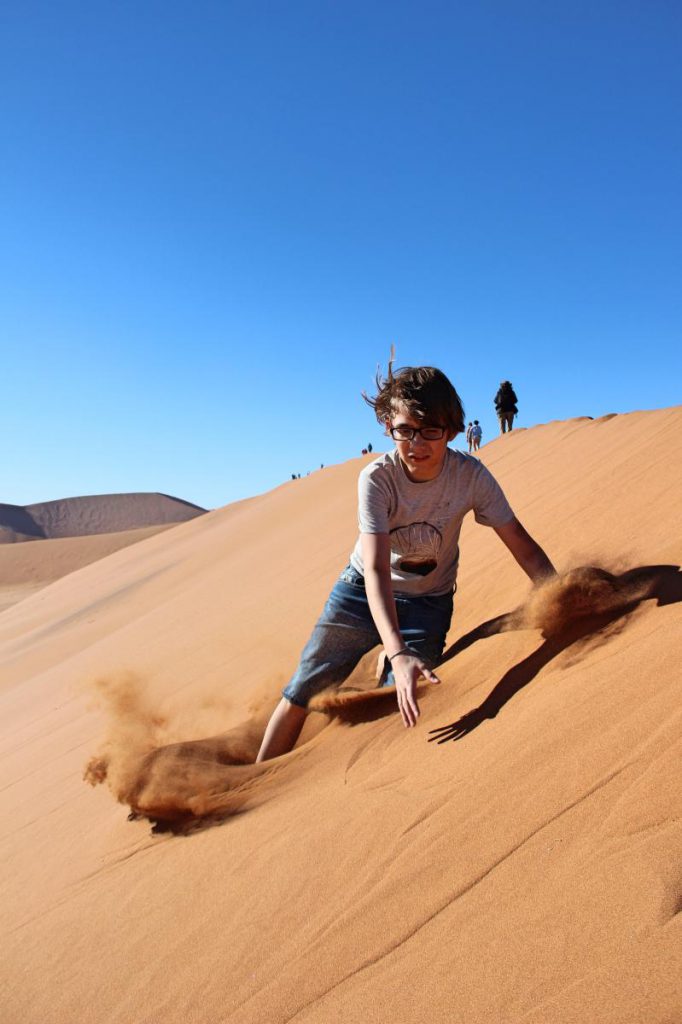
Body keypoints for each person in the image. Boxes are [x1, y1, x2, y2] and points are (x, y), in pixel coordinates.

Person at [256, 363, 556, 762]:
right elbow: (378, 569)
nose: (417, 443)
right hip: (360, 592)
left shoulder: (470, 477)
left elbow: (521, 544)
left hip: (427, 601)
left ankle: (385, 654)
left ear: (451, 430)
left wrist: (559, 594)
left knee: (406, 692)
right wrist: (398, 650)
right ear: (387, 426)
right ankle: (255, 782)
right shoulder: (377, 479)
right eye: (405, 430)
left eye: (431, 430)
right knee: (302, 691)